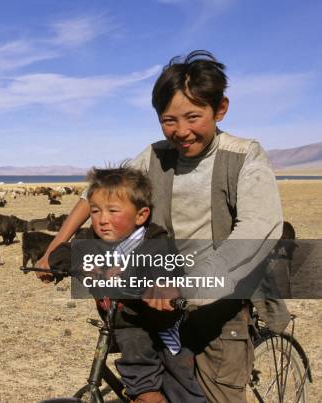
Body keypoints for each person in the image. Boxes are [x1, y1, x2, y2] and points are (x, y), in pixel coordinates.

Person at [37, 50, 284, 402]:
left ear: (221, 109)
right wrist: (55, 247)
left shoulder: (243, 156)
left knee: (214, 394)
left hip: (216, 305)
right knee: (145, 385)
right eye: (169, 120)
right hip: (152, 300)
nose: (181, 131)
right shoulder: (155, 155)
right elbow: (97, 191)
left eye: (193, 117)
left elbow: (256, 230)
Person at [56, 165, 206, 403]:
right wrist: (70, 264)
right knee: (139, 376)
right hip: (125, 326)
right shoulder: (91, 240)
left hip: (163, 325)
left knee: (182, 389)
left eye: (112, 211)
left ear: (141, 215)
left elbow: (164, 265)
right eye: (95, 211)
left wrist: (159, 283)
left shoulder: (153, 240)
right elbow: (62, 253)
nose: (102, 220)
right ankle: (147, 394)